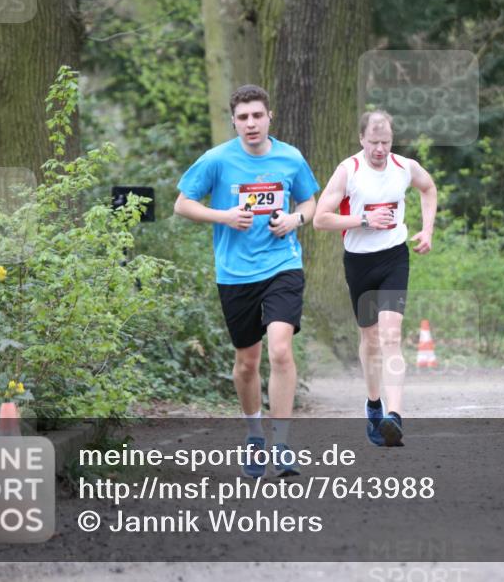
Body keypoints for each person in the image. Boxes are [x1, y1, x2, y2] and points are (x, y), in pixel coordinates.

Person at [174, 84, 319, 477]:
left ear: (270, 116)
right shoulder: (217, 160)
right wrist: (223, 216)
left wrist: (294, 219)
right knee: (246, 363)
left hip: (282, 265)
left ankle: (283, 444)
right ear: (234, 122)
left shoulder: (290, 157)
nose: (251, 123)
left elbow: (309, 201)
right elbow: (183, 204)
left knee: (281, 350)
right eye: (243, 117)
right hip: (235, 274)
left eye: (257, 115)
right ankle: (255, 435)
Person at [313, 110, 437, 447]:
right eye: (373, 142)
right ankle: (373, 405)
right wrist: (364, 220)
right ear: (361, 139)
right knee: (369, 340)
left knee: (390, 334)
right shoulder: (348, 170)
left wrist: (427, 230)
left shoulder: (405, 167)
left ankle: (394, 416)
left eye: (386, 142)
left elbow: (428, 188)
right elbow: (320, 219)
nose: (380, 149)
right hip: (359, 262)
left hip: (394, 257)